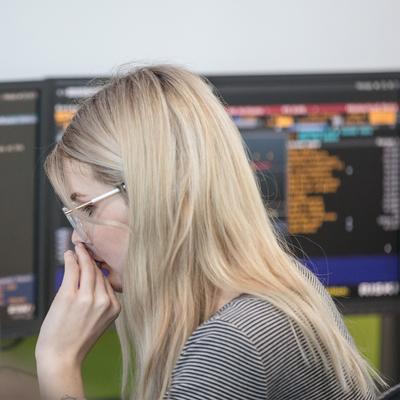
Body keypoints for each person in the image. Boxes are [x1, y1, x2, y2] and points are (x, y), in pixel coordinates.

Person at [35, 64, 385, 400]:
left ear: (161, 195)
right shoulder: (285, 285)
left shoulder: (232, 345)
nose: (80, 238)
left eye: (89, 209)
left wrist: (58, 363)